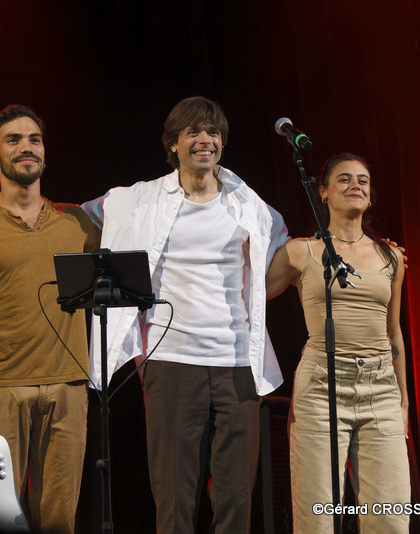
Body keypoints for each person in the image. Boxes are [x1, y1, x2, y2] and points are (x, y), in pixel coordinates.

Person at [79, 96, 289, 533]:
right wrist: (18, 206)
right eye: (193, 132)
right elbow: (78, 217)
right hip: (171, 361)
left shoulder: (249, 203)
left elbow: (285, 249)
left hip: (237, 365)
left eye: (212, 132)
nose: (205, 140)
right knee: (175, 496)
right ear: (173, 144)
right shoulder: (140, 199)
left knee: (235, 497)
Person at [0, 104, 99, 534]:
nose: (26, 147)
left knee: (60, 521)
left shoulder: (78, 222)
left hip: (68, 388)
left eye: (35, 139)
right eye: (14, 140)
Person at [265, 152, 411, 533]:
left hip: (381, 389)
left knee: (391, 520)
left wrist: (404, 401)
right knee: (316, 519)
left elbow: (393, 333)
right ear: (323, 193)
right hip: (321, 386)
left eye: (362, 180)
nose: (355, 185)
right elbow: (249, 295)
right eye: (344, 179)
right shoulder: (302, 252)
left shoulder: (391, 257)